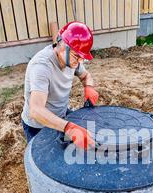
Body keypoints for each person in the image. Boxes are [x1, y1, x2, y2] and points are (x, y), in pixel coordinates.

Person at [21, 21, 99, 150]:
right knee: (44, 162)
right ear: (62, 45)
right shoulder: (42, 66)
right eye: (77, 56)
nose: (80, 61)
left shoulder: (72, 59)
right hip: (38, 125)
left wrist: (89, 87)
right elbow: (35, 110)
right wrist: (69, 128)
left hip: (62, 115)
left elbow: (86, 76)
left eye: (82, 58)